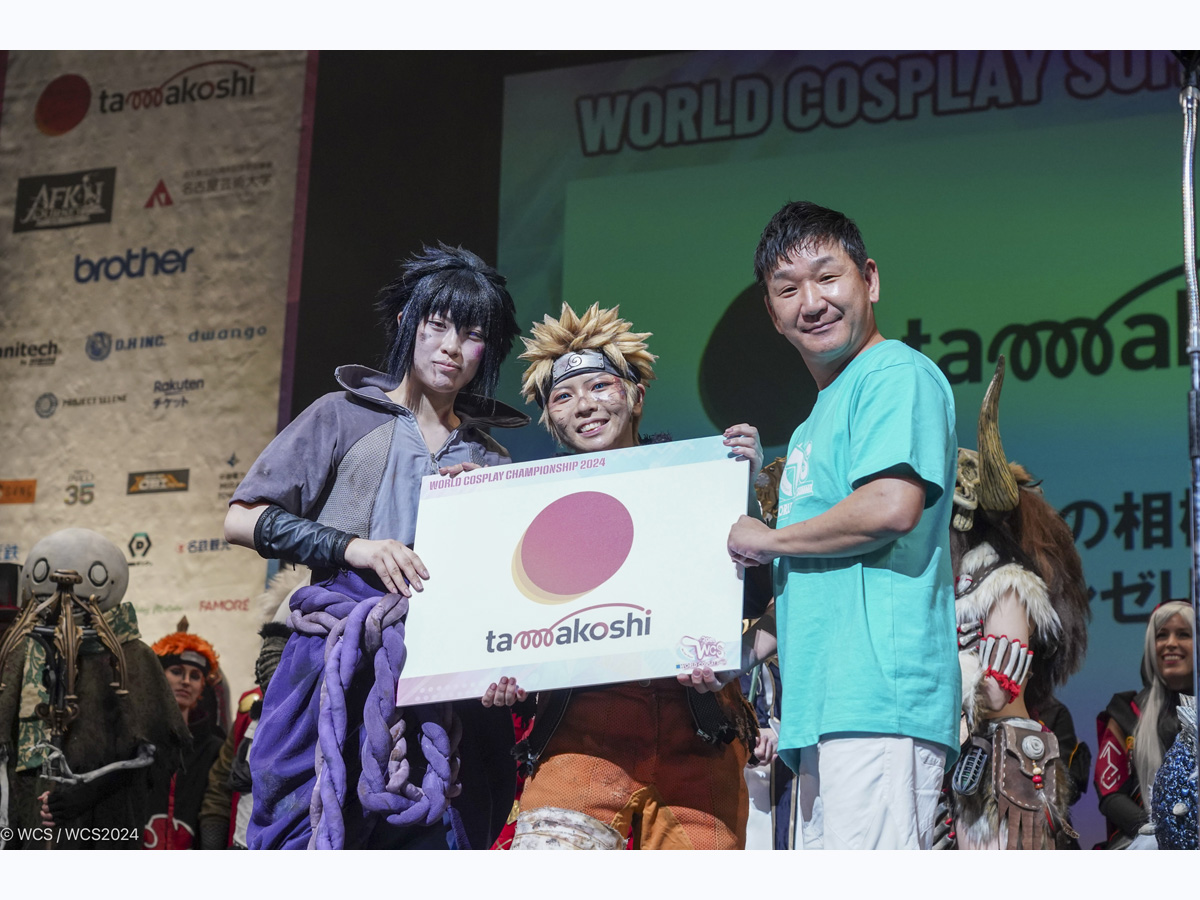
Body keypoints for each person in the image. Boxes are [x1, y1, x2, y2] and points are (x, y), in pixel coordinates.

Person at [224, 244, 528, 850]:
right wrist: (353, 548)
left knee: (445, 830)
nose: (451, 347)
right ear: (406, 324)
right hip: (337, 657)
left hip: (445, 672)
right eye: (437, 325)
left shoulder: (491, 456)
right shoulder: (339, 415)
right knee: (311, 825)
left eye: (472, 335)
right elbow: (241, 519)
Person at [719, 200, 961, 850]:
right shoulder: (809, 424)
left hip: (878, 700)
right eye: (788, 289)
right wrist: (738, 652)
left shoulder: (895, 373)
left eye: (828, 277)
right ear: (772, 312)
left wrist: (768, 540)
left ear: (870, 280)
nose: (812, 302)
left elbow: (890, 506)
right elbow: (814, 574)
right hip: (819, 711)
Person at [497, 302, 758, 850]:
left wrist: (746, 491)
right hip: (581, 733)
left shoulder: (701, 482)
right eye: (563, 397)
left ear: (636, 396)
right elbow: (503, 622)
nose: (584, 405)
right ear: (550, 420)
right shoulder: (527, 511)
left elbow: (755, 595)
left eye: (600, 386)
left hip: (699, 731)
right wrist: (468, 512)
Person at [946, 358, 1091, 849]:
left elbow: (996, 693)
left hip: (997, 767)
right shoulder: (956, 588)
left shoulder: (1006, 583)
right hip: (958, 762)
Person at [0, 528, 188, 850]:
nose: (65, 590)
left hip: (105, 822)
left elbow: (154, 748)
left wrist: (88, 791)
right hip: (27, 813)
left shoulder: (132, 656)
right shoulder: (21, 648)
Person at [1094, 600, 1195, 848]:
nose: (1171, 643)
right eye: (1161, 635)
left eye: (1184, 634)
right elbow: (1110, 794)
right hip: (1142, 840)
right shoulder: (1126, 714)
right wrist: (1157, 831)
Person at [144, 620, 226, 849]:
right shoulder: (138, 740)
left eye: (195, 675)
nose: (186, 682)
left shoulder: (214, 749)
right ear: (159, 678)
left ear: (202, 687)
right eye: (177, 672)